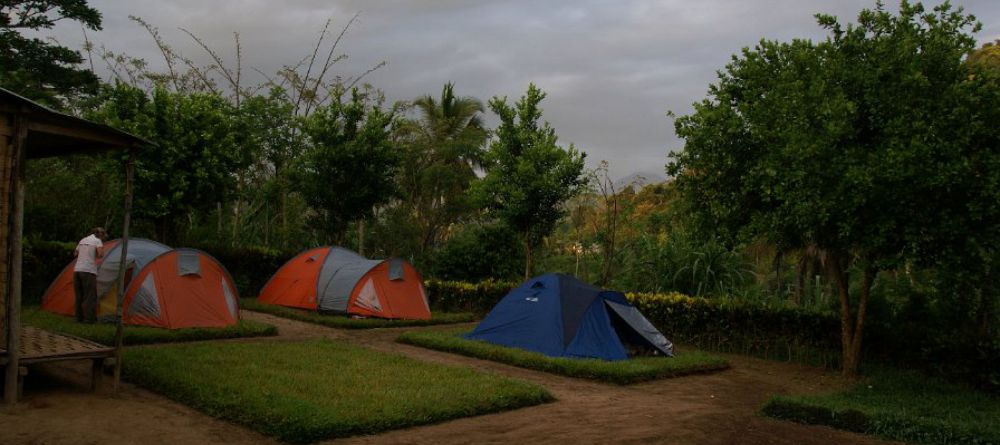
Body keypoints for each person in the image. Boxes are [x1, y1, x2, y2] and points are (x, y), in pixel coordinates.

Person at [74, 227, 106, 323]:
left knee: (79, 295)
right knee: (90, 295)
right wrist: (100, 250)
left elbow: (75, 254)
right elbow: (100, 255)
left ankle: (78, 318)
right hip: (88, 270)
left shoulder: (83, 240)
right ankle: (89, 319)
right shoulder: (97, 241)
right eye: (103, 236)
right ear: (100, 235)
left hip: (77, 270)